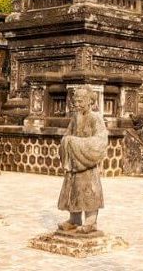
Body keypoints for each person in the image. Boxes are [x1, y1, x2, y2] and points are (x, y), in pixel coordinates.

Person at [57, 87, 108, 234]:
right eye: (75, 101)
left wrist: (76, 144)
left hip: (87, 163)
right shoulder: (75, 118)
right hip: (74, 162)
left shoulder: (95, 118)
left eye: (80, 101)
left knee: (89, 191)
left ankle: (91, 221)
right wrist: (67, 142)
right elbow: (67, 136)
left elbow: (100, 140)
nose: (77, 104)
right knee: (73, 190)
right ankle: (74, 219)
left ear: (90, 101)